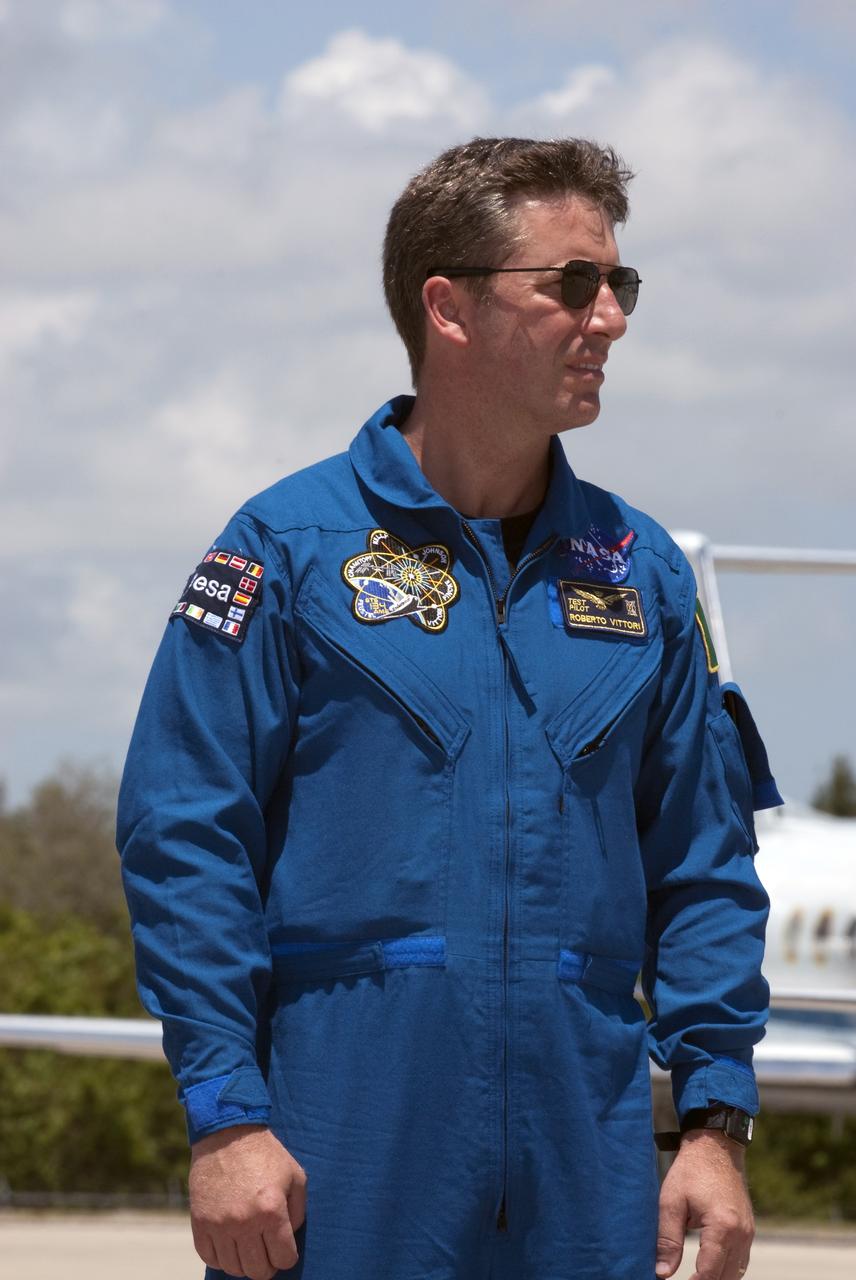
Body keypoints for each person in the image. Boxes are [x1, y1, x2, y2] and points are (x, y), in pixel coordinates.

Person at [117, 136, 783, 1280]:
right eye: (572, 282)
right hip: (340, 1157)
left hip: (586, 1175)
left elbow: (705, 866)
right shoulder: (285, 549)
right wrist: (225, 1115)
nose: (609, 318)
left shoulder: (643, 576)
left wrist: (714, 1125)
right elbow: (185, 835)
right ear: (448, 307)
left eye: (618, 283)